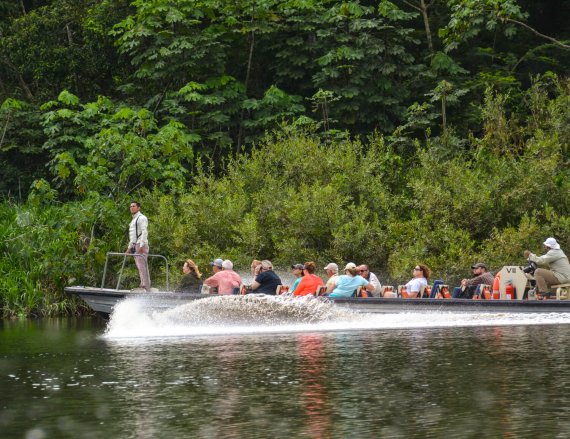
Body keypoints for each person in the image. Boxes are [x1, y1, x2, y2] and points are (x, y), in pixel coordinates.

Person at [126, 201, 150, 291]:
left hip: (141, 244)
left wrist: (141, 245)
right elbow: (133, 236)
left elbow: (144, 232)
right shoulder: (134, 219)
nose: (131, 207)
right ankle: (143, 284)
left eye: (134, 206)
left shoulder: (141, 218)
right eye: (130, 206)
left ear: (138, 208)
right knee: (140, 265)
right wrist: (129, 248)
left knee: (142, 265)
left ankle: (145, 286)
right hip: (136, 244)